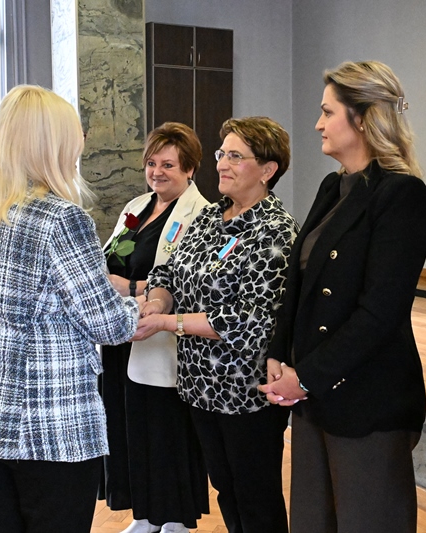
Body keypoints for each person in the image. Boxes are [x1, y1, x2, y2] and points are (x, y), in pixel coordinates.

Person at [0, 85, 147, 533]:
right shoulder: (62, 219)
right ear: (52, 144)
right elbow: (108, 325)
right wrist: (142, 304)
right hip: (47, 426)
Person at [260, 60, 426, 533]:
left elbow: (380, 313)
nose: (318, 124)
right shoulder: (332, 186)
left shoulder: (402, 194)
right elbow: (299, 282)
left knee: (367, 521)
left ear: (362, 118)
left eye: (327, 112)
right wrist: (279, 353)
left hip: (366, 398)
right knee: (313, 521)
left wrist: (306, 377)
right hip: (315, 392)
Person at [138, 116, 297, 533]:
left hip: (245, 391)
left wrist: (166, 322)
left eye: (236, 157)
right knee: (226, 488)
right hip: (199, 385)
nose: (222, 164)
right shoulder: (210, 217)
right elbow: (167, 271)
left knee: (255, 495)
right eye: (221, 154)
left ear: (267, 170)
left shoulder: (275, 231)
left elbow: (246, 320)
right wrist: (156, 301)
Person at [100, 122, 210, 533]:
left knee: (165, 432)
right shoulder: (137, 207)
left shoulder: (201, 215)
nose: (157, 172)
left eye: (168, 165)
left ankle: (175, 519)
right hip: (121, 333)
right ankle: (145, 515)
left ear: (190, 169)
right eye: (151, 163)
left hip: (164, 338)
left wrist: (130, 287)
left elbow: (188, 279)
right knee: (129, 427)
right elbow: (111, 255)